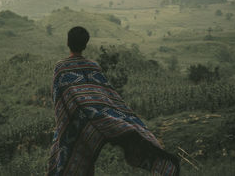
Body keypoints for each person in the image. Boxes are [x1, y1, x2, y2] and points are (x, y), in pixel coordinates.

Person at [47, 26, 180, 176]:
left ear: (67, 42)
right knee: (85, 163)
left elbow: (58, 99)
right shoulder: (93, 66)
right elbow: (108, 96)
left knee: (66, 161)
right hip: (91, 126)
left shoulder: (61, 67)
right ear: (85, 44)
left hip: (71, 126)